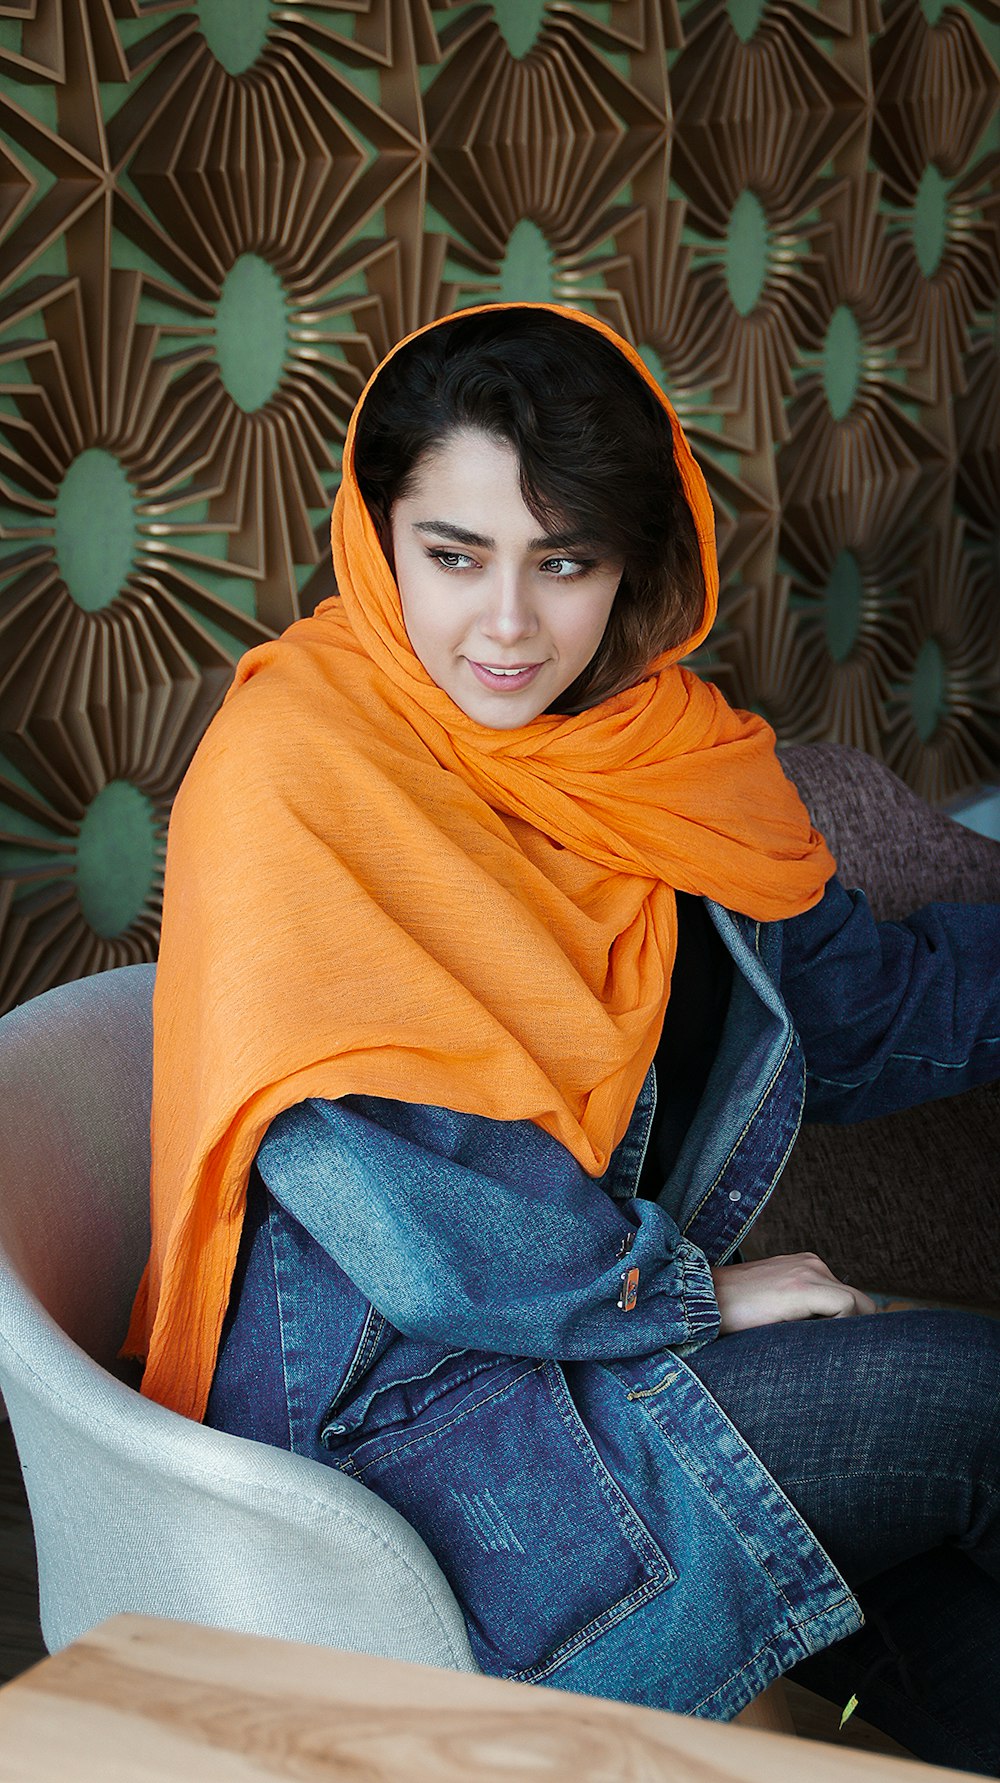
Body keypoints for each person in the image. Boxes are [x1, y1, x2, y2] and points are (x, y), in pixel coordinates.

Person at [125, 303, 1000, 1773]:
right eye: (454, 557)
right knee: (978, 1406)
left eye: (565, 562)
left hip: (579, 1353)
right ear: (377, 535)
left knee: (926, 1577)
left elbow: (862, 1017)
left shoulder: (660, 760)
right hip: (417, 1418)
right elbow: (403, 1208)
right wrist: (689, 1293)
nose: (509, 627)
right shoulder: (298, 771)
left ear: (637, 570)